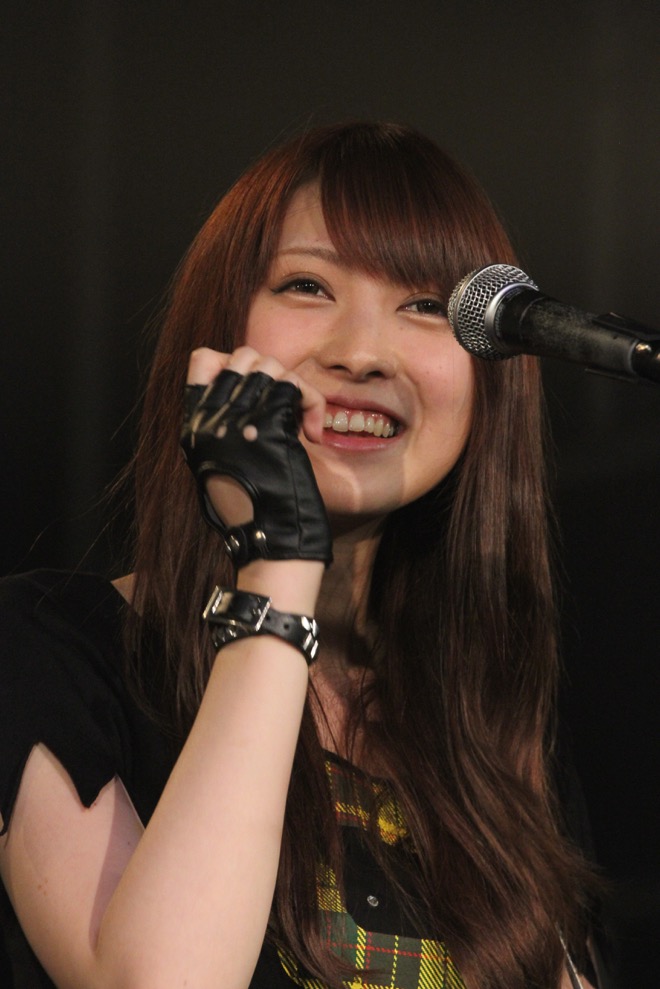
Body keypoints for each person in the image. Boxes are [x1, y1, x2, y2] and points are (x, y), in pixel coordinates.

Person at [0, 121, 606, 989]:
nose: (361, 353)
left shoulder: (491, 729)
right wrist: (277, 554)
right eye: (308, 286)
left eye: (427, 304)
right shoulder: (52, 647)